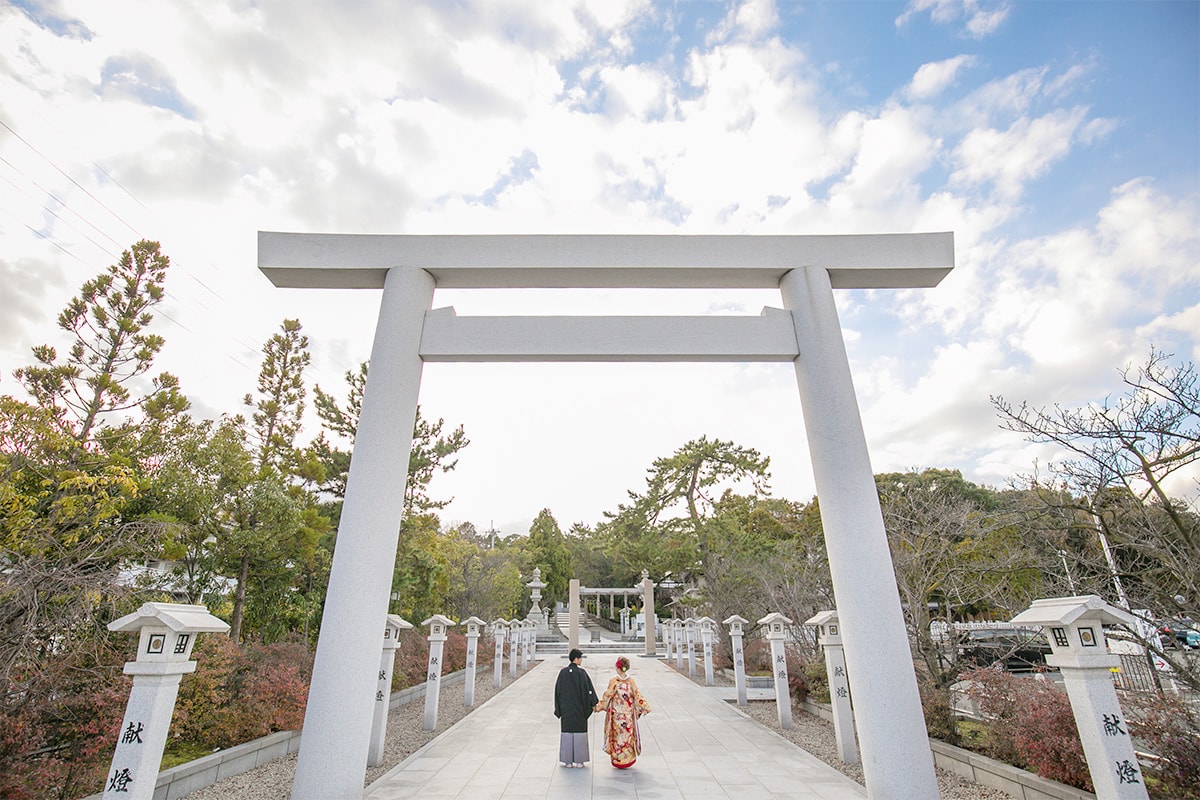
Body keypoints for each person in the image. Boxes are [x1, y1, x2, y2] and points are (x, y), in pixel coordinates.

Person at [595, 655, 651, 768]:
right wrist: (644, 706)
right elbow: (637, 695)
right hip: (628, 715)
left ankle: (618, 760)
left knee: (618, 737)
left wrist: (599, 706)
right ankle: (627, 759)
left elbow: (607, 696)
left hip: (617, 715)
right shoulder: (631, 682)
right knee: (627, 736)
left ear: (618, 667)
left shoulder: (614, 682)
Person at [553, 648, 598, 768]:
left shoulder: (563, 673)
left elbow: (557, 691)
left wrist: (558, 709)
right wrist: (593, 703)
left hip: (566, 709)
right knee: (580, 733)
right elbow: (589, 690)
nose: (581, 660)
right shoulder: (581, 673)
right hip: (579, 709)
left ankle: (567, 761)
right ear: (576, 659)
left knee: (567, 732)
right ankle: (579, 760)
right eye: (580, 658)